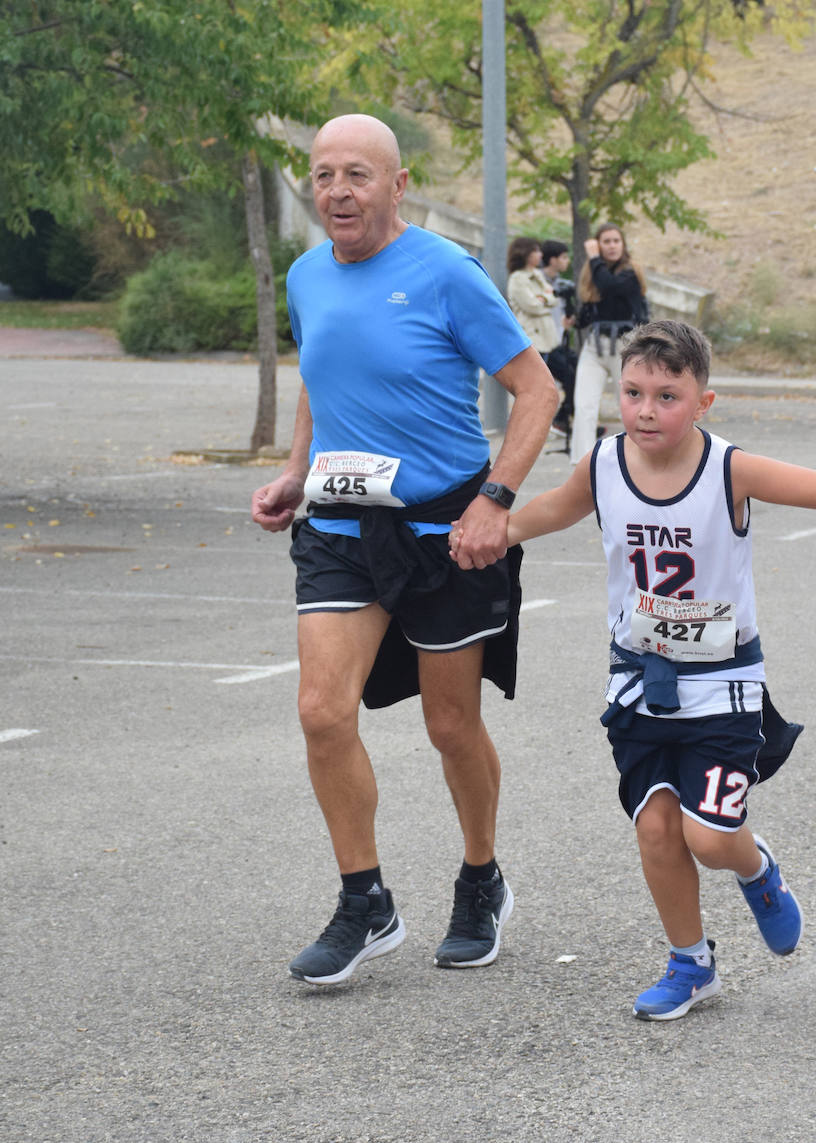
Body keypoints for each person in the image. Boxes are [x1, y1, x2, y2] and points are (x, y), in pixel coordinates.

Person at [502, 319, 816, 1021]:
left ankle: (756, 868)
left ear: (704, 403)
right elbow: (552, 511)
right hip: (637, 680)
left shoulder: (727, 469)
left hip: (723, 682)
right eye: (632, 392)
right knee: (655, 828)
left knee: (709, 836)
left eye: (668, 396)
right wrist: (487, 529)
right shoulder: (601, 463)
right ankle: (691, 964)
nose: (646, 410)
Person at [249, 114, 560, 986]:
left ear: (396, 184)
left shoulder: (446, 275)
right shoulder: (309, 276)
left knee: (450, 725)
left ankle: (481, 877)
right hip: (342, 527)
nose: (338, 191)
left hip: (446, 529)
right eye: (323, 176)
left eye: (357, 174)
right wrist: (294, 470)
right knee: (320, 710)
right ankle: (365, 900)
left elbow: (537, 392)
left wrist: (496, 501)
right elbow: (319, 377)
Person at [569, 223, 648, 463]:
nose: (612, 246)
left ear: (623, 245)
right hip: (595, 346)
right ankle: (582, 464)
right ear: (599, 244)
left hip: (625, 346)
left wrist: (593, 257)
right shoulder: (593, 275)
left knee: (629, 404)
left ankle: (638, 457)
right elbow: (588, 313)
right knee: (584, 407)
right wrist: (574, 317)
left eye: (616, 241)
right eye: (606, 241)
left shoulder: (630, 272)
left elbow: (610, 287)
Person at [506, 236, 568, 434]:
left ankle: (543, 424)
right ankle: (525, 427)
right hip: (532, 338)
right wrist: (545, 300)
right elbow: (531, 305)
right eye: (536, 250)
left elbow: (552, 299)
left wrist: (544, 299)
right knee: (532, 386)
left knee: (547, 384)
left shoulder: (536, 275)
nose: (540, 255)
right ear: (525, 253)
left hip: (547, 338)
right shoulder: (517, 278)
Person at [540, 238, 579, 437]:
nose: (567, 261)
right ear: (553, 259)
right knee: (570, 375)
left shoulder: (564, 285)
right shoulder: (536, 281)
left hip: (558, 340)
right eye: (563, 257)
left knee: (579, 369)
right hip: (543, 344)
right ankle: (561, 419)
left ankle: (568, 419)